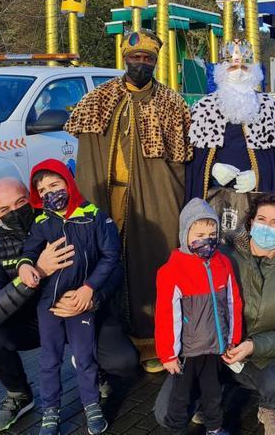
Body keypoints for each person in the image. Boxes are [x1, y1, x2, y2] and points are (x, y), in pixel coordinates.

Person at [64, 29, 192, 373]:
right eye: (135, 58)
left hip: (153, 199)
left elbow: (180, 161)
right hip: (109, 197)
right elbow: (87, 158)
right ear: (124, 58)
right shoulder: (98, 99)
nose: (141, 64)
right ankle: (105, 336)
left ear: (155, 62)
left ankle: (154, 339)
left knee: (151, 263)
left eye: (147, 59)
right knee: (104, 261)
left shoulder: (171, 102)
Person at [0, 178, 138, 434]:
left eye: (21, 202)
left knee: (125, 362)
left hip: (81, 309)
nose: (16, 212)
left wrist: (92, 297)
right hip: (34, 320)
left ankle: (95, 372)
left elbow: (114, 266)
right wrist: (35, 272)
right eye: (5, 210)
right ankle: (19, 395)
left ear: (31, 198)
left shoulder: (63, 217)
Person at [154, 193, 275, 435]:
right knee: (167, 412)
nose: (266, 227)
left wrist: (253, 345)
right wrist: (171, 352)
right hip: (205, 348)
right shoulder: (221, 255)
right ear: (250, 222)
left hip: (256, 354)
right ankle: (209, 396)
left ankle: (268, 408)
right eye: (261, 219)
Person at [15, 160, 122, 435]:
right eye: (42, 190)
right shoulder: (42, 222)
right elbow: (29, 251)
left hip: (80, 302)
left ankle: (91, 405)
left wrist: (89, 288)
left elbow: (111, 256)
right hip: (48, 304)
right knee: (49, 359)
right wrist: (25, 265)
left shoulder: (94, 216)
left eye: (55, 185)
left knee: (85, 357)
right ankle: (50, 409)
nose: (49, 193)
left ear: (69, 183)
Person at [154, 198, 243, 435]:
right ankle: (175, 430)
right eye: (200, 233)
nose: (207, 239)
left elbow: (233, 303)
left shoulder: (224, 263)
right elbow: (165, 315)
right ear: (185, 234)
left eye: (212, 233)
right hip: (187, 350)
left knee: (213, 393)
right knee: (180, 397)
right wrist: (168, 354)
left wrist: (231, 339)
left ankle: (214, 428)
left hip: (214, 347)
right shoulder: (171, 270)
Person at [186, 39, 275, 202]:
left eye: (244, 67)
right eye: (232, 67)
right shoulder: (203, 109)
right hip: (215, 199)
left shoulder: (273, 109)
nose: (239, 73)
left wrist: (259, 174)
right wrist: (212, 169)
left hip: (259, 200)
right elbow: (190, 158)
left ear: (254, 73)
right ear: (221, 73)